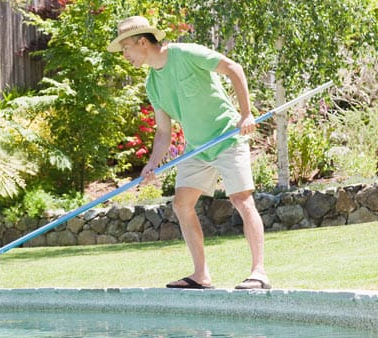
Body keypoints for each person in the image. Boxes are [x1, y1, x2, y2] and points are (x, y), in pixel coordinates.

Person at [108, 16, 271, 290]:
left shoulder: (187, 54)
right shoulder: (153, 84)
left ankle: (259, 273)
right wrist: (150, 166)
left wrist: (246, 114)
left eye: (126, 49)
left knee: (241, 199)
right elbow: (163, 133)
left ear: (142, 41)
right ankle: (201, 275)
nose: (125, 56)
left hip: (226, 136)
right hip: (196, 148)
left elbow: (233, 68)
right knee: (182, 204)